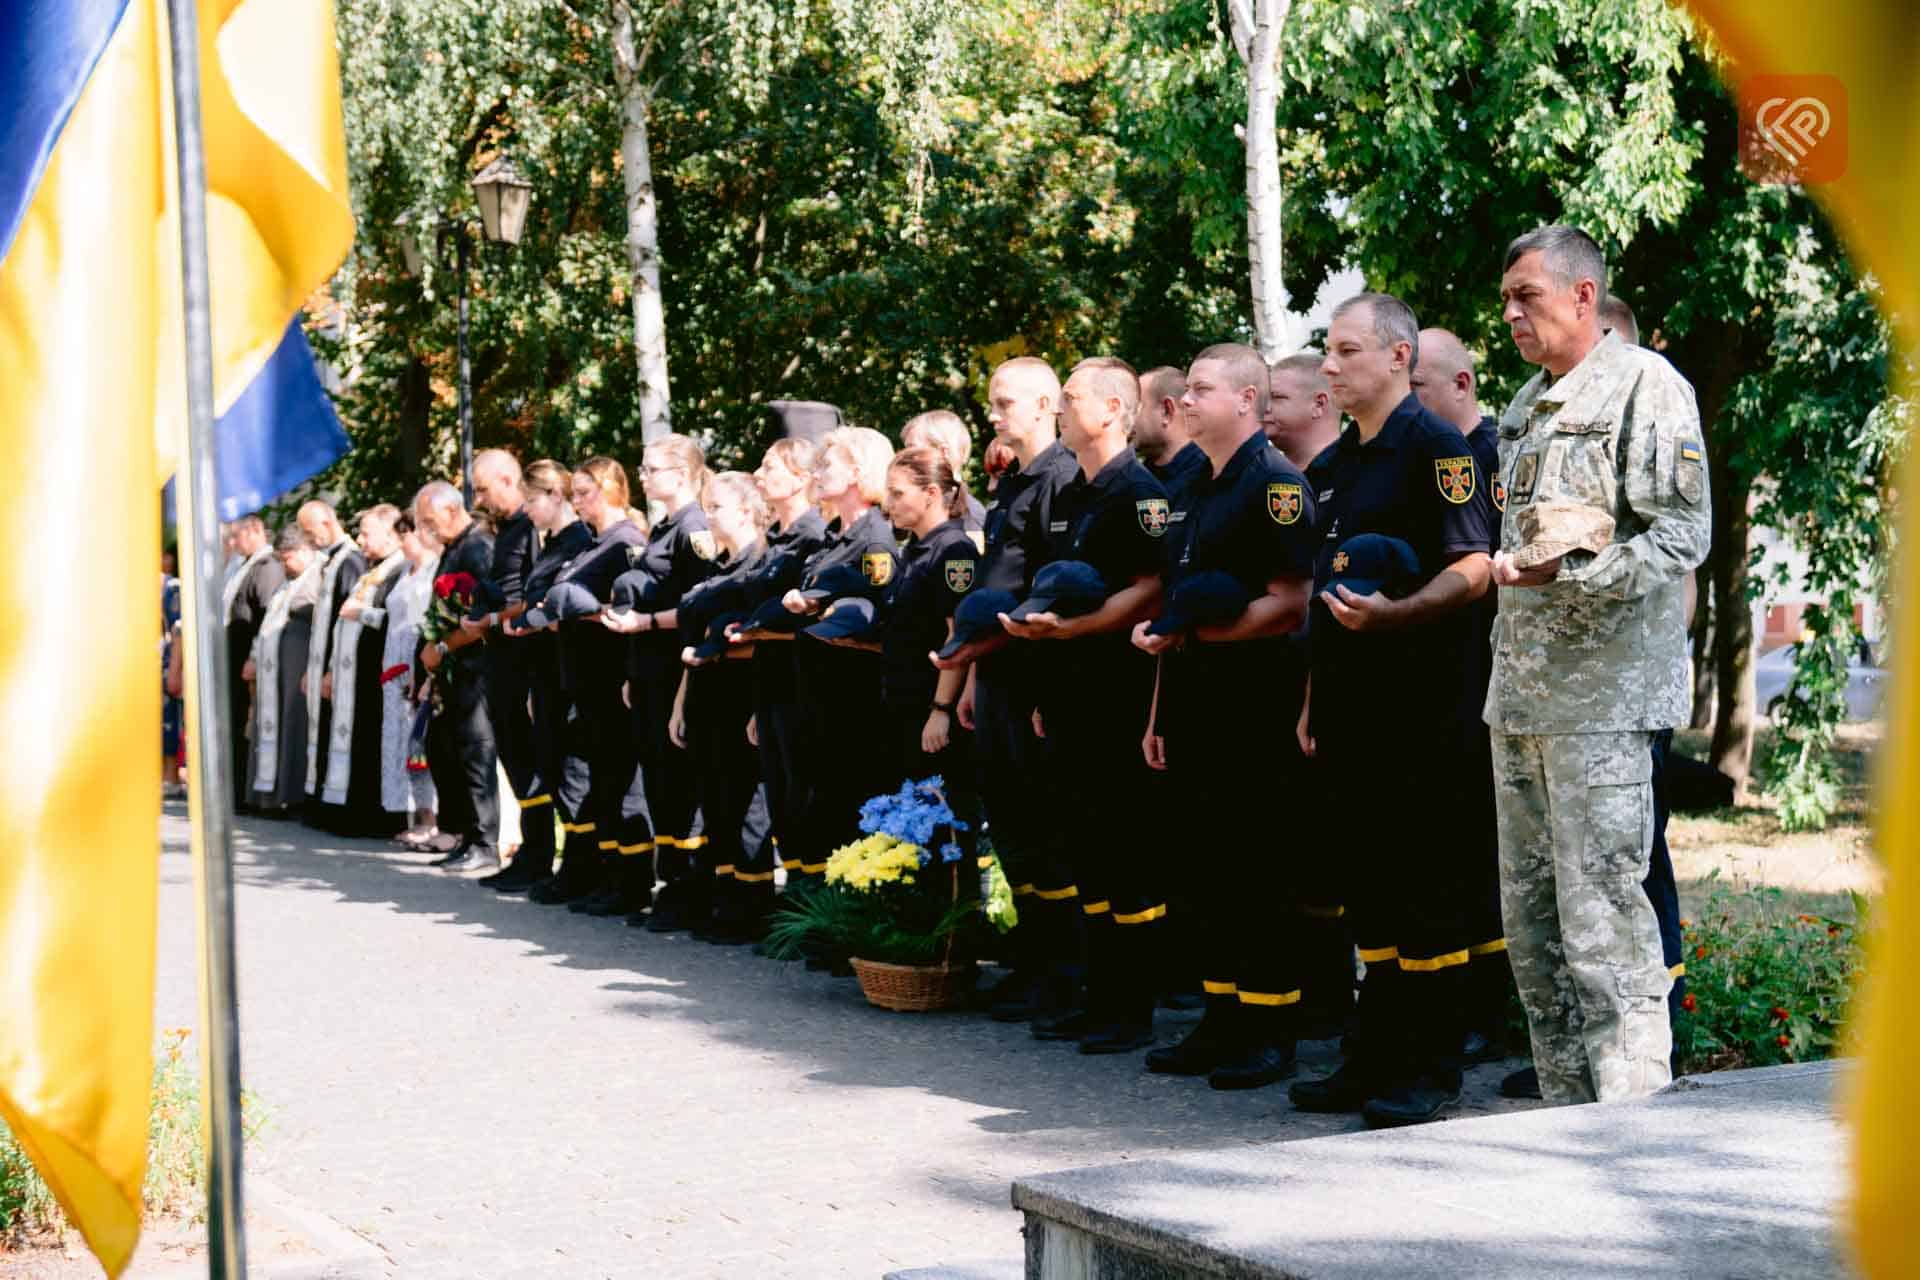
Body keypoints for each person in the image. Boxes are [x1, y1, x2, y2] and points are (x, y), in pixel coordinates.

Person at [1486, 225, 1710, 1104]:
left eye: (1526, 296)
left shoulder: (1645, 388)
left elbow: (1684, 535)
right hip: (1524, 703)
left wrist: (1573, 572)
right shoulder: (1526, 403)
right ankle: (1567, 1122)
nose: (1510, 314)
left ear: (1584, 297)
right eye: (1506, 298)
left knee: (1607, 925)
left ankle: (1632, 1128)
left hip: (1605, 705)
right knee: (1536, 934)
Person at [1287, 292, 1494, 1129]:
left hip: (1423, 710)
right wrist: (1311, 699)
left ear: (1399, 358)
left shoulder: (1438, 451)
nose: (1330, 367)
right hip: (1347, 709)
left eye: (1347, 351)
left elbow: (1476, 565)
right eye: (1327, 353)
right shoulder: (1336, 467)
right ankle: (1373, 1053)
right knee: (1367, 889)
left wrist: (1402, 614)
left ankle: (1430, 1064)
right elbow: (1320, 594)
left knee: (1424, 889)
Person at [1132, 343, 1318, 1087]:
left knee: (1256, 868)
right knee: (1204, 868)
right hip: (1192, 701)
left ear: (1247, 399)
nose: (1188, 401)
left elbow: (1290, 601)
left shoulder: (1275, 485)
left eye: (1202, 389)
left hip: (1254, 704)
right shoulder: (1190, 489)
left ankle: (1270, 1027)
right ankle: (1222, 1016)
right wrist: (1156, 715)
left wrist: (1206, 634)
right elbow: (1173, 612)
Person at [999, 356, 1170, 1055]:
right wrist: (1047, 684)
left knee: (1123, 851)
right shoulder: (1074, 490)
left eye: (1070, 399)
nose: (1061, 410)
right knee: (1086, 852)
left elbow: (1152, 587)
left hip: (1119, 696)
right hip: (1070, 694)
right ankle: (1098, 996)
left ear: (1109, 410)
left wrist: (1076, 630)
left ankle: (1130, 1007)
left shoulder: (1140, 492)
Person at [932, 357, 1078, 1021]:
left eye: (1005, 402)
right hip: (999, 675)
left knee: (1050, 829)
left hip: (1038, 676)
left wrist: (1047, 689)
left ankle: (1064, 972)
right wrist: (973, 679)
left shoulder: (1064, 478)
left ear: (1047, 403)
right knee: (1014, 827)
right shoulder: (1017, 482)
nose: (993, 415)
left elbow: (1055, 592)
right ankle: (1032, 959)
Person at [1411, 327, 1513, 1061]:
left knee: (1484, 847)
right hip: (1438, 672)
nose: (1409, 403)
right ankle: (1459, 1000)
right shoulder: (1418, 454)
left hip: (1491, 670)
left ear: (1462, 385)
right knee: (1448, 844)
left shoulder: (1492, 454)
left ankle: (1492, 1006)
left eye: (1419, 388)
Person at [599, 434, 723, 930]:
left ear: (679, 474)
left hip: (676, 669)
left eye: (650, 469)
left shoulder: (694, 528)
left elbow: (696, 607)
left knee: (678, 784)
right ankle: (671, 883)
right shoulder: (667, 526)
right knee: (659, 782)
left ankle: (688, 888)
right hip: (649, 669)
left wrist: (646, 626)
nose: (643, 476)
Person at [780, 426, 900, 909]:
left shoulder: (876, 534)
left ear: (856, 472)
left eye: (828, 464)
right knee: (822, 808)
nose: (818, 473)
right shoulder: (834, 535)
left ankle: (854, 920)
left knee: (851, 806)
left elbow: (883, 611)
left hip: (854, 696)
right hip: (817, 691)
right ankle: (828, 916)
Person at [525, 457, 648, 907]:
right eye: (573, 494)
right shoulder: (591, 544)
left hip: (608, 676)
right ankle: (600, 872)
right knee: (595, 780)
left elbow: (627, 606)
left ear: (613, 488)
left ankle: (629, 880)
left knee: (618, 782)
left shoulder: (626, 543)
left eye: (585, 493)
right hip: (579, 679)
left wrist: (583, 610)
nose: (577, 502)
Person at [667, 471, 774, 942]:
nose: (707, 517)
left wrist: (720, 656)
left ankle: (752, 907)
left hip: (741, 695)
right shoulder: (719, 567)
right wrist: (680, 706)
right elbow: (691, 646)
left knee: (746, 803)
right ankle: (723, 897)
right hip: (706, 695)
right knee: (716, 802)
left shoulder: (759, 566)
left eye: (717, 508)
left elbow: (762, 643)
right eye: (706, 507)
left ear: (747, 511)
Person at [731, 438, 830, 920]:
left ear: (800, 476)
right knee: (783, 801)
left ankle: (814, 914)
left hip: (799, 681)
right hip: (769, 680)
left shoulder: (814, 537)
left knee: (804, 800)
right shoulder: (780, 537)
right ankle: (795, 910)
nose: (759, 473)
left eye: (770, 465)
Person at [489, 461, 597, 893]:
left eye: (532, 500)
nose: (526, 509)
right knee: (554, 766)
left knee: (572, 771)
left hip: (566, 668)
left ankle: (583, 865)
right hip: (544, 670)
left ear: (556, 495)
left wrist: (537, 619)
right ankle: (572, 862)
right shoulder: (551, 542)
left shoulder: (578, 540)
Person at [455, 449, 558, 888]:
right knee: (515, 756)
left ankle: (539, 853)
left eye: (482, 487)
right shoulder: (509, 529)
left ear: (507, 479)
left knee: (529, 756)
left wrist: (490, 618)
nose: (478, 497)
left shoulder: (530, 529)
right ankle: (531, 852)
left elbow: (531, 595)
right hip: (502, 655)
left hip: (524, 657)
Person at [872, 446, 976, 786]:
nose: (889, 504)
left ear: (931, 493)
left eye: (898, 493)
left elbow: (958, 635)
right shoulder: (914, 550)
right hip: (902, 706)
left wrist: (941, 708)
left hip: (929, 708)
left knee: (939, 820)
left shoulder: (953, 551)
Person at [413, 481, 500, 873]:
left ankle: (486, 840)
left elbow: (481, 616)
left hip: (476, 668)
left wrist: (443, 646)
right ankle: (467, 835)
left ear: (451, 510)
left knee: (477, 754)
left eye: (431, 521)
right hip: (453, 670)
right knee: (454, 753)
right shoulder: (454, 546)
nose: (428, 531)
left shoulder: (478, 546)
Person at [317, 504, 409, 835]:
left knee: (371, 742)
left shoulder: (400, 570)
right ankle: (351, 811)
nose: (360, 539)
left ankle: (373, 816)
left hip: (376, 673)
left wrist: (363, 613)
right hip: (353, 674)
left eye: (367, 533)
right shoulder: (374, 569)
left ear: (390, 533)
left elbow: (398, 621)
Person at [296, 500, 366, 815]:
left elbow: (345, 621)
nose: (309, 540)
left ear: (327, 522)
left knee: (334, 733)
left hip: (338, 666)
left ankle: (337, 806)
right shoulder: (330, 561)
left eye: (311, 532)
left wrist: (330, 669)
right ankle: (321, 801)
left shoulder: (350, 561)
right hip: (322, 661)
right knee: (321, 731)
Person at [246, 526, 320, 814]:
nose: (284, 566)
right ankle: (269, 794)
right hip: (274, 664)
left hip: (298, 661)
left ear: (304, 551)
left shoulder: (318, 574)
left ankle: (291, 794)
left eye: (287, 559)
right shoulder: (287, 582)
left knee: (292, 723)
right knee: (272, 723)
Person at [380, 513, 440, 844]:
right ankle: (415, 814)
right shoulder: (405, 571)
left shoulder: (433, 569)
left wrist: (422, 673)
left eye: (404, 536)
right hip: (395, 662)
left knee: (421, 744)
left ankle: (431, 818)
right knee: (404, 744)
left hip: (415, 663)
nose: (401, 543)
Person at [223, 513, 285, 804]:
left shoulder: (267, 567)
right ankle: (234, 789)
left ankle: (243, 792)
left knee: (244, 725)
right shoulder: (247, 565)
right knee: (234, 723)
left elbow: (265, 616)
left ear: (256, 531)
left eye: (238, 536)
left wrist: (253, 656)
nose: (233, 543)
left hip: (247, 659)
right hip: (233, 660)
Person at [902, 409, 988, 533]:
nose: (903, 458)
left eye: (912, 449)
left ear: (943, 452)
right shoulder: (927, 506)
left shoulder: (968, 515)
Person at [1131, 366, 1209, 501]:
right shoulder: (1136, 478)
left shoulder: (1207, 478)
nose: (1125, 419)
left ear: (1167, 411)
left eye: (1135, 408)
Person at [1263, 353, 1339, 472]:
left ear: (1319, 404)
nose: (1264, 407)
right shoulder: (1261, 475)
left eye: (1277, 397)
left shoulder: (1358, 475)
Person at [161, 568, 184, 798]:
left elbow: (179, 628)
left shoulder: (172, 587)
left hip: (167, 659)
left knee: (171, 720)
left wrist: (175, 667)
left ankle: (172, 774)